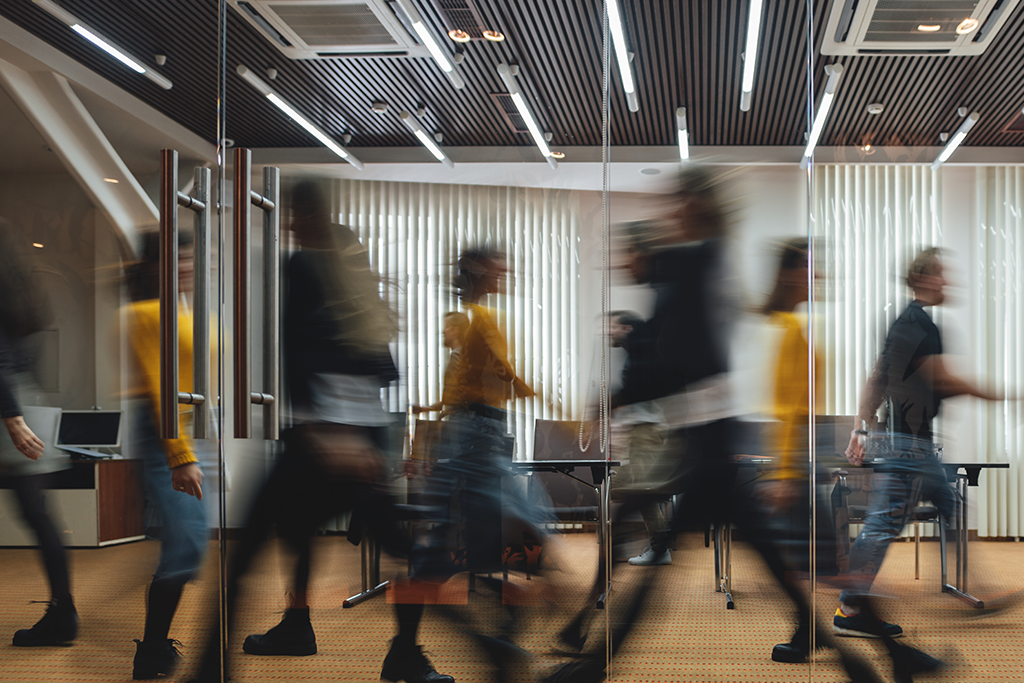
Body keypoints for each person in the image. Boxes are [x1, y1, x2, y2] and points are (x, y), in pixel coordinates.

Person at [187, 180, 407, 682]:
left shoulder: (304, 265)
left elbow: (297, 355)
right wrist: (370, 441)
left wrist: (321, 427)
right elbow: (386, 372)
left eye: (292, 213)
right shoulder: (359, 285)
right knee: (384, 544)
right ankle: (398, 651)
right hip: (368, 435)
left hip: (324, 437)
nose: (287, 222)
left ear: (306, 216)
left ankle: (209, 668)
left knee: (247, 549)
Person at [835, 247, 1015, 640]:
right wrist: (1006, 396)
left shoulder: (904, 322)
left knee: (952, 505)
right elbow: (945, 381)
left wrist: (860, 429)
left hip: (909, 442)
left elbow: (876, 377)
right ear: (921, 278)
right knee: (884, 524)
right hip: (908, 445)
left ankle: (969, 585)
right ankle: (850, 607)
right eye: (940, 274)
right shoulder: (919, 325)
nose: (947, 280)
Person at [381, 248, 537, 683]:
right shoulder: (476, 321)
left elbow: (463, 390)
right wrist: (536, 392)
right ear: (482, 271)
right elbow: (495, 380)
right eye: (500, 266)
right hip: (477, 439)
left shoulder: (477, 318)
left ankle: (416, 654)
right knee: (485, 544)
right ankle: (491, 648)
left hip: (475, 435)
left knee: (471, 546)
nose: (508, 272)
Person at [124, 231, 210, 679]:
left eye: (190, 258)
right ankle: (152, 650)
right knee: (187, 543)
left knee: (188, 543)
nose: (188, 266)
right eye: (179, 259)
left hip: (182, 429)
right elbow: (161, 390)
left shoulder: (177, 310)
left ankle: (155, 646)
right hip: (162, 430)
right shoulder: (148, 313)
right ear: (157, 267)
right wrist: (179, 456)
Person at [0, 222, 78, 647]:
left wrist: (11, 419)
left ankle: (62, 614)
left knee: (36, 514)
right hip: (23, 398)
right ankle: (62, 612)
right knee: (38, 514)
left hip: (8, 407)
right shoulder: (19, 291)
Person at [605, 309, 668, 567]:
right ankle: (641, 543)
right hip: (639, 429)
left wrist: (614, 401)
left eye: (614, 327)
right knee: (624, 487)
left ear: (627, 329)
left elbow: (638, 393)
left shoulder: (641, 351)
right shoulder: (637, 352)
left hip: (646, 430)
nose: (609, 332)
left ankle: (659, 547)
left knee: (640, 489)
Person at [412, 311, 470, 418]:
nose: (443, 331)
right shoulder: (466, 355)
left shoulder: (457, 356)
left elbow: (454, 399)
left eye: (447, 327)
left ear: (455, 330)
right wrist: (428, 409)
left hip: (461, 421)